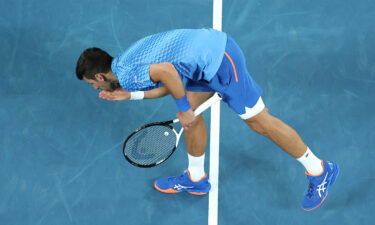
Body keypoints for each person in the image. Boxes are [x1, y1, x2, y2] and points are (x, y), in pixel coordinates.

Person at [75, 28, 339, 211]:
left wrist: (180, 107)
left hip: (221, 60)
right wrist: (132, 97)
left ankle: (319, 170)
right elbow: (172, 79)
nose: (95, 89)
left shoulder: (131, 77)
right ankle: (196, 178)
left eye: (92, 84)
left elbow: (167, 73)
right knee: (192, 111)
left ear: (99, 76)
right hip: (203, 56)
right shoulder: (124, 63)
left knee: (260, 123)